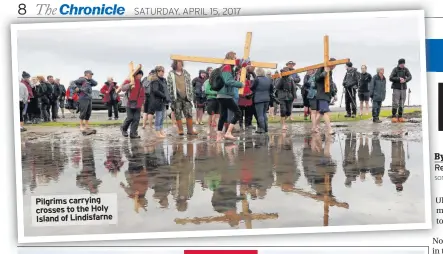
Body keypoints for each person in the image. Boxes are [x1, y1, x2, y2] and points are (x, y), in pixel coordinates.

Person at [216, 51, 244, 141]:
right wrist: (240, 84)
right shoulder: (227, 67)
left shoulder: (224, 67)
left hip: (221, 94)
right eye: (234, 57)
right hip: (226, 94)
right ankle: (228, 133)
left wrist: (240, 66)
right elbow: (228, 81)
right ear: (231, 58)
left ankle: (218, 136)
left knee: (223, 115)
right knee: (238, 113)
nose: (236, 59)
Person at [167, 60, 198, 135]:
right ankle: (180, 130)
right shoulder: (171, 74)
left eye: (181, 64)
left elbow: (190, 85)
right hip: (176, 97)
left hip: (186, 96)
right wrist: (171, 97)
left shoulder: (186, 73)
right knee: (178, 114)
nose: (180, 65)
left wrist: (190, 95)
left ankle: (190, 130)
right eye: (178, 64)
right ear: (175, 65)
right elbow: (169, 86)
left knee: (189, 113)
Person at [313, 60, 337, 135]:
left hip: (327, 94)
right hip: (321, 93)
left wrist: (334, 93)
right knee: (325, 111)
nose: (333, 67)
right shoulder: (321, 69)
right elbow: (316, 79)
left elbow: (330, 83)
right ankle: (329, 129)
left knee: (321, 113)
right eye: (332, 65)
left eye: (335, 66)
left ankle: (314, 127)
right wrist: (325, 72)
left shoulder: (330, 72)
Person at [120, 69, 145, 139]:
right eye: (139, 75)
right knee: (130, 117)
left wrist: (142, 104)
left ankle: (133, 133)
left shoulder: (141, 83)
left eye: (141, 75)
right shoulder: (129, 80)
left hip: (137, 103)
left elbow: (142, 94)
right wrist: (130, 84)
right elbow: (122, 88)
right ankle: (123, 128)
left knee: (136, 119)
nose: (140, 77)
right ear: (135, 74)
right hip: (129, 102)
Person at [149, 66, 170, 138]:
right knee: (159, 116)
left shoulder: (164, 80)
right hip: (157, 100)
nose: (161, 73)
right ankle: (157, 131)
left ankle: (161, 129)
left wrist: (168, 98)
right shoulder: (155, 80)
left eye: (162, 71)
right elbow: (155, 91)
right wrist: (164, 96)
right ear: (156, 72)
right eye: (159, 71)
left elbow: (166, 89)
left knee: (162, 116)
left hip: (163, 101)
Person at [389, 58, 412, 123]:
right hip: (396, 88)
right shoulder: (395, 69)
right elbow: (390, 78)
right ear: (399, 64)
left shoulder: (406, 69)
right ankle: (393, 116)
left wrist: (405, 80)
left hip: (403, 88)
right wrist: (399, 79)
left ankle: (400, 116)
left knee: (402, 103)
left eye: (403, 64)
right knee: (395, 103)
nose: (402, 65)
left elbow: (410, 76)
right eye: (401, 64)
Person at [251, 67, 273, 134]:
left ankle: (262, 129)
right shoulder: (268, 79)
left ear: (257, 72)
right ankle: (266, 129)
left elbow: (252, 88)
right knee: (264, 114)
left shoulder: (256, 79)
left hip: (258, 99)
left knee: (260, 115)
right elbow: (271, 89)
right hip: (267, 99)